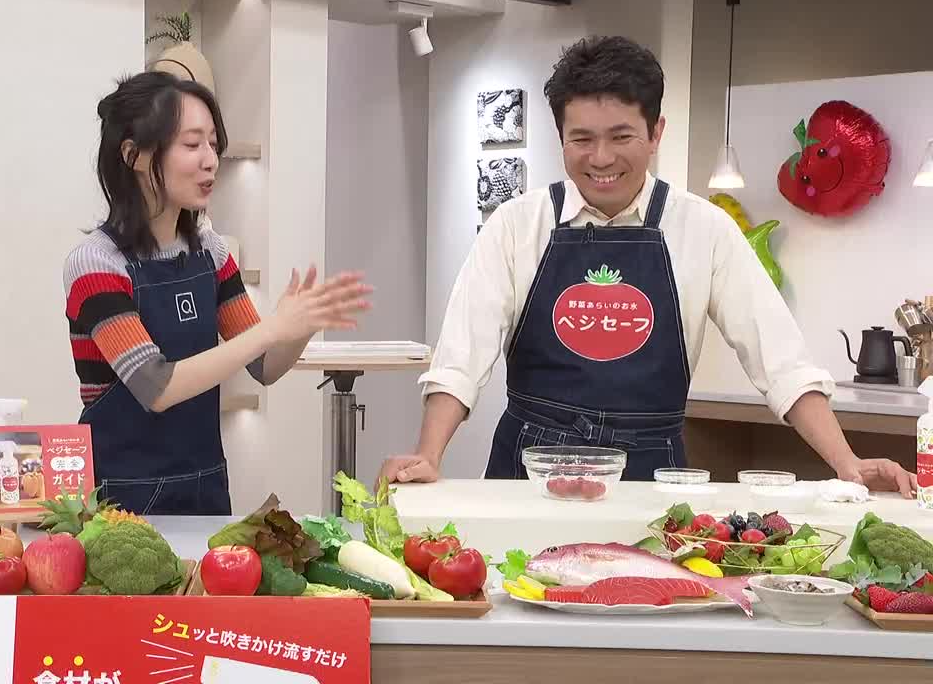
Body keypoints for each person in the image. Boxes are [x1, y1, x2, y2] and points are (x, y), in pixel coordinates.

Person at [381, 36, 917, 496]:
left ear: (656, 132)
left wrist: (847, 463)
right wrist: (430, 454)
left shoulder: (703, 229)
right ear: (560, 138)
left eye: (621, 136)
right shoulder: (516, 224)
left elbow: (781, 361)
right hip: (530, 465)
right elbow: (460, 357)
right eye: (581, 139)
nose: (601, 158)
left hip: (650, 471)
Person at [65, 71, 372, 515]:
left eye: (213, 142)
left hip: (207, 486)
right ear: (133, 155)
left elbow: (265, 366)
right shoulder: (95, 264)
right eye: (192, 145)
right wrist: (271, 330)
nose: (210, 159)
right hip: (120, 497)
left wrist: (303, 325)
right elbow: (157, 386)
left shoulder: (211, 252)